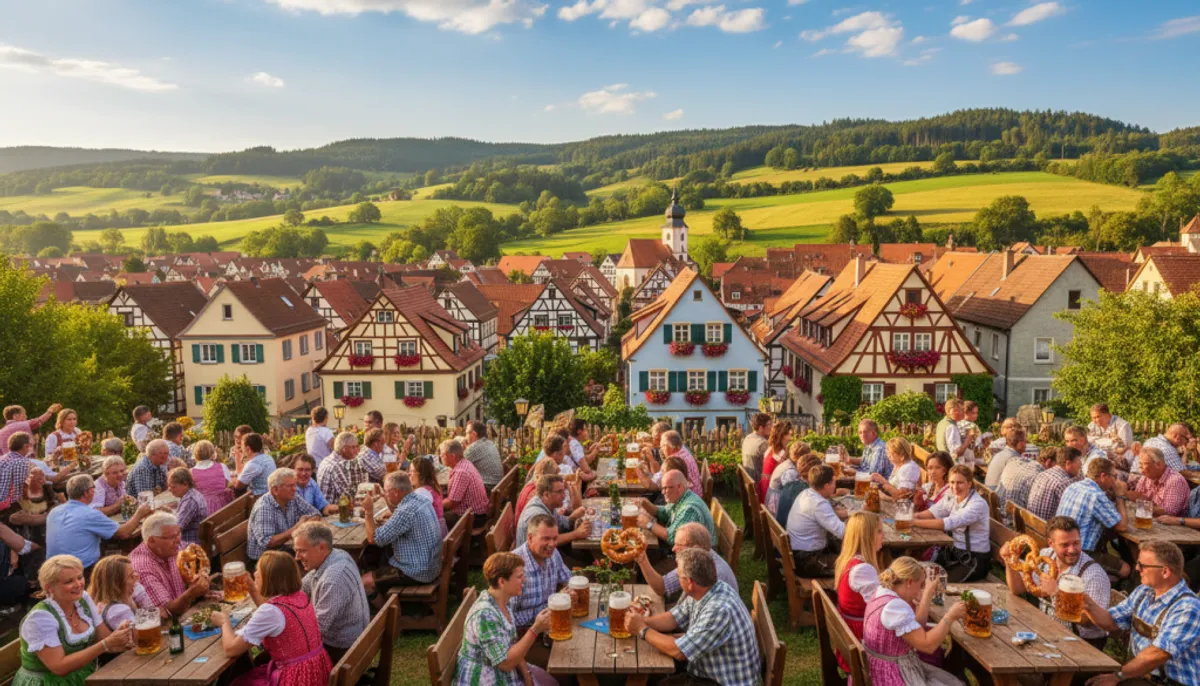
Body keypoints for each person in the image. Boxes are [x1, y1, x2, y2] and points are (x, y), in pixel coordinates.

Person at [623, 548, 760, 686]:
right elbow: (673, 618)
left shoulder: (719, 610)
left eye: (678, 575)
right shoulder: (707, 589)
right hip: (706, 670)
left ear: (689, 582)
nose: (677, 577)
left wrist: (642, 629)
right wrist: (640, 621)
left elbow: (679, 651)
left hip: (721, 682)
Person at [1081, 541, 1200, 686]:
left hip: (1170, 682)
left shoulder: (1188, 608)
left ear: (1165, 572)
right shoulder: (1144, 592)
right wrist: (1088, 605)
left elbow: (1158, 654)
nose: (1137, 568)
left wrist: (1118, 676)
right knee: (1082, 677)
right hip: (1141, 675)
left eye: (1142, 565)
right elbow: (1111, 621)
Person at [211, 551, 333, 686]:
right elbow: (273, 616)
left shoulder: (271, 611)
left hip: (295, 679)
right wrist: (252, 588)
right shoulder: (299, 596)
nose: (255, 573)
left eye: (258, 570)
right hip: (315, 671)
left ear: (270, 577)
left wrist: (224, 622)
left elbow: (231, 649)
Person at [14, 555, 133, 686]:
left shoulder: (83, 600)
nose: (78, 584)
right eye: (69, 581)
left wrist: (122, 635)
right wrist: (106, 643)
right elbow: (59, 667)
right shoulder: (40, 619)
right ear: (49, 588)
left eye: (80, 577)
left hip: (86, 676)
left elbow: (104, 639)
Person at [1000, 516, 1110, 649]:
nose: (1072, 549)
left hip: (1082, 644)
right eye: (1065, 545)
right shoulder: (1046, 556)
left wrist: (1056, 593)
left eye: (1076, 543)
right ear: (1051, 543)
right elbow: (1018, 589)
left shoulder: (1093, 575)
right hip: (1048, 632)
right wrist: (1009, 560)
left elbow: (1088, 621)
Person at [455, 552, 556, 686]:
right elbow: (505, 664)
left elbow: (511, 643)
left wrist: (527, 674)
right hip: (486, 678)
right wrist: (535, 629)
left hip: (505, 669)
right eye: (519, 576)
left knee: (552, 682)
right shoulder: (484, 615)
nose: (524, 580)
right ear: (502, 581)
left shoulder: (503, 601)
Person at [863, 556, 965, 686]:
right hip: (891, 676)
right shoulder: (894, 607)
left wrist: (927, 593)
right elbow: (927, 646)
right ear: (909, 582)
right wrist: (950, 616)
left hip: (883, 668)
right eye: (921, 584)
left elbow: (917, 627)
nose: (921, 589)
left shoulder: (882, 593)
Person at [293, 522, 370, 664]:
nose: (297, 557)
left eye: (302, 551)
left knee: (266, 658)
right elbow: (301, 590)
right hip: (351, 644)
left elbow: (316, 630)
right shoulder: (336, 555)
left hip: (341, 652)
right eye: (296, 551)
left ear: (321, 547)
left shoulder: (334, 578)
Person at [362, 472, 442, 603]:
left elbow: (373, 539)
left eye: (387, 492)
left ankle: (387, 616)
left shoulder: (406, 511)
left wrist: (368, 511)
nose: (385, 494)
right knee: (379, 555)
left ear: (396, 492)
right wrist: (385, 496)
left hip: (416, 572)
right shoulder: (420, 500)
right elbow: (397, 515)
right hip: (431, 565)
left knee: (365, 582)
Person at [47, 475, 148, 572]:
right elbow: (124, 533)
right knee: (130, 560)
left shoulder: (54, 512)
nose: (94, 491)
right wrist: (140, 513)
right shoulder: (89, 514)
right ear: (87, 492)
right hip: (80, 570)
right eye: (93, 488)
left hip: (52, 568)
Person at [913, 465, 990, 582]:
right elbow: (935, 511)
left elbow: (948, 523)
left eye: (960, 483)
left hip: (973, 559)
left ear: (969, 484)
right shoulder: (952, 496)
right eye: (952, 482)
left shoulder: (977, 504)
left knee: (937, 583)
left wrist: (913, 523)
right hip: (953, 552)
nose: (955, 487)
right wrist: (914, 516)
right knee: (921, 574)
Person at [1056, 457, 1129, 578]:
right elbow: (1122, 526)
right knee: (1125, 569)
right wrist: (1120, 496)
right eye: (1114, 476)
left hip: (1061, 545)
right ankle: (1110, 590)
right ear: (1103, 476)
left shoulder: (1074, 486)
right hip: (1079, 553)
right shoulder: (1096, 495)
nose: (1115, 481)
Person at [130, 512, 210, 616]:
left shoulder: (170, 547)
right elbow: (165, 613)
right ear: (152, 541)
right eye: (172, 537)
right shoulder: (143, 568)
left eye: (178, 533)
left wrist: (201, 584)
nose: (178, 540)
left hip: (187, 610)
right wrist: (190, 594)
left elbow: (196, 561)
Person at [833, 512, 884, 670]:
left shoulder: (850, 561)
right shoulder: (862, 569)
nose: (883, 535)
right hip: (863, 642)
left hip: (852, 638)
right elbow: (881, 610)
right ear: (867, 536)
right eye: (880, 531)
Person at [636, 522, 738, 600]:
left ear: (696, 548)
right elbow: (664, 586)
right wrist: (643, 560)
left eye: (679, 545)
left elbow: (662, 589)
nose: (673, 549)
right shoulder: (698, 559)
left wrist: (643, 561)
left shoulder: (712, 576)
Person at [511, 514, 571, 647]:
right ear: (530, 538)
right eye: (546, 539)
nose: (552, 544)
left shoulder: (553, 554)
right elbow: (508, 619)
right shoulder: (514, 567)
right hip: (524, 640)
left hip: (551, 629)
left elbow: (568, 580)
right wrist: (549, 608)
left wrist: (571, 591)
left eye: (555, 538)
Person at [248, 468, 322, 562]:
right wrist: (296, 529)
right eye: (290, 486)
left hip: (286, 550)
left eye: (295, 485)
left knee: (319, 552)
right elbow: (267, 542)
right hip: (266, 559)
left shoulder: (292, 497)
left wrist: (303, 526)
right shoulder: (264, 507)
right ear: (275, 490)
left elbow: (315, 513)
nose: (294, 489)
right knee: (315, 557)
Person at [786, 465, 847, 577]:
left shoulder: (806, 493)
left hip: (797, 553)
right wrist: (859, 522)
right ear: (826, 485)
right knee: (852, 564)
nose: (835, 485)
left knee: (840, 545)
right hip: (807, 561)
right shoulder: (819, 504)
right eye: (834, 482)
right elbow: (844, 532)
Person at [638, 470, 715, 549]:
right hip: (689, 551)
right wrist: (646, 504)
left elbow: (672, 538)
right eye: (662, 488)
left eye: (665, 488)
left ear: (679, 487)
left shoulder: (690, 509)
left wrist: (648, 524)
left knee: (645, 553)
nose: (662, 492)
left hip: (700, 557)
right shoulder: (682, 497)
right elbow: (664, 512)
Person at [515, 475, 590, 545]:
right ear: (546, 495)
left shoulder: (548, 505)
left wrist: (573, 517)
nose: (564, 496)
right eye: (559, 492)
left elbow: (562, 523)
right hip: (534, 558)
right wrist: (576, 534)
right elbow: (548, 541)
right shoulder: (537, 514)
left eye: (564, 491)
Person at [87, 555, 153, 632]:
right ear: (116, 584)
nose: (137, 578)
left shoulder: (112, 602)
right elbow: (146, 632)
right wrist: (142, 596)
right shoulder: (117, 610)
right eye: (131, 576)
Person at [1027, 446, 1082, 522]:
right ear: (1068, 463)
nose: (1080, 466)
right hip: (1047, 529)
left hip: (1033, 523)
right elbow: (1073, 512)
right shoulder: (1064, 483)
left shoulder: (1042, 474)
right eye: (1078, 462)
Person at [1132, 446, 1191, 517]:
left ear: (1158, 464)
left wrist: (1144, 506)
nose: (1140, 467)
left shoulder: (1175, 480)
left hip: (1173, 526)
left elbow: (1170, 512)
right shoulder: (1147, 476)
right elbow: (1138, 497)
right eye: (1140, 464)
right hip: (1152, 519)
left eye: (1144, 464)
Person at [442, 439, 489, 527]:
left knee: (436, 519)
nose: (441, 456)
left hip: (474, 519)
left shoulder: (461, 472)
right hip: (477, 513)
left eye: (443, 454)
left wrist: (434, 504)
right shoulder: (465, 463)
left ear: (453, 456)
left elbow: (452, 503)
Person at [317, 432, 370, 504]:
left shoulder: (327, 460)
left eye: (357, 447)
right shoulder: (336, 466)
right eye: (353, 447)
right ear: (344, 449)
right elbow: (349, 496)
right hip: (334, 510)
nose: (357, 451)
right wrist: (367, 489)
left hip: (327, 506)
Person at [765, 440, 812, 519]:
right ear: (802, 458)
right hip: (777, 510)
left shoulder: (788, 463)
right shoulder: (790, 472)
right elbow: (793, 496)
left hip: (773, 503)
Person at [190, 440, 234, 514]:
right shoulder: (222, 467)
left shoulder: (191, 472)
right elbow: (225, 485)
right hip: (222, 508)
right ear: (212, 453)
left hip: (201, 509)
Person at [166, 468, 208, 545]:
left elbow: (176, 528)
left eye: (173, 487)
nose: (169, 489)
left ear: (185, 484)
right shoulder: (192, 493)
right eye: (168, 486)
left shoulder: (190, 501)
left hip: (189, 543)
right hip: (195, 539)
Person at [409, 456, 448, 538]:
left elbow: (409, 517)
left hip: (433, 536)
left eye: (412, 471)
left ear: (421, 474)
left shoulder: (423, 493)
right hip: (439, 530)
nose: (409, 474)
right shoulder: (433, 486)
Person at [1088, 403, 1134, 469]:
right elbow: (1088, 444)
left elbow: (1124, 449)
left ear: (1108, 414)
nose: (1095, 420)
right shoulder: (1091, 426)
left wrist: (1099, 443)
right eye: (1093, 418)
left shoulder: (1123, 426)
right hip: (1099, 459)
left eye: (1098, 417)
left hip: (1122, 463)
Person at [659, 431, 703, 499]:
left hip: (687, 498)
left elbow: (657, 484)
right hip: (696, 494)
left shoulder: (674, 461)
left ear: (672, 446)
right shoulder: (683, 450)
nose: (661, 449)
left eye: (663, 445)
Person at [757, 421, 793, 504]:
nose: (792, 435)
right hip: (771, 494)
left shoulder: (771, 448)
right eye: (790, 433)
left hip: (763, 489)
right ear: (783, 435)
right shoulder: (781, 453)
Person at [464, 420, 504, 490]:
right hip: (496, 486)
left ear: (474, 434)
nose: (465, 437)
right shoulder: (489, 443)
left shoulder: (474, 448)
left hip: (487, 487)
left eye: (466, 433)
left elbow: (457, 464)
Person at [985, 425, 1025, 490]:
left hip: (989, 490)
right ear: (1020, 443)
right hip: (996, 494)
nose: (1026, 445)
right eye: (1025, 442)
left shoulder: (1001, 453)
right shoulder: (1014, 458)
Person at [935, 399, 972, 466]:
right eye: (961, 410)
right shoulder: (951, 427)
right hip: (953, 467)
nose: (963, 412)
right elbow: (957, 453)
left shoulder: (941, 423)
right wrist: (969, 438)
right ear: (951, 411)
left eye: (963, 410)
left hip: (943, 461)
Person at [741, 412, 771, 484]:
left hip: (749, 482)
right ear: (761, 428)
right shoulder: (763, 443)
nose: (771, 427)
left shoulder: (747, 438)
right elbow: (771, 466)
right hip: (759, 484)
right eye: (769, 425)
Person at [957, 401, 982, 467]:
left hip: (960, 458)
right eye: (973, 413)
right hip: (969, 459)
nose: (976, 415)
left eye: (976, 413)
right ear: (965, 413)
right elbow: (979, 446)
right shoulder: (973, 426)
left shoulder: (957, 423)